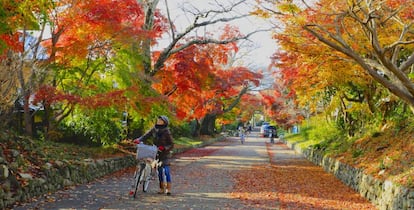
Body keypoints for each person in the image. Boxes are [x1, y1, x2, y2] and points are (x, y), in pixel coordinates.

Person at [133, 115, 174, 195]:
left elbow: (171, 144)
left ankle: (168, 189)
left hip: (165, 154)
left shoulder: (167, 131)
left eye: (160, 120)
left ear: (164, 122)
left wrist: (164, 148)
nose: (158, 121)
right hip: (156, 152)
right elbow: (145, 136)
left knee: (166, 171)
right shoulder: (154, 129)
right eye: (158, 119)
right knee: (159, 171)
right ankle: (161, 188)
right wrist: (139, 140)